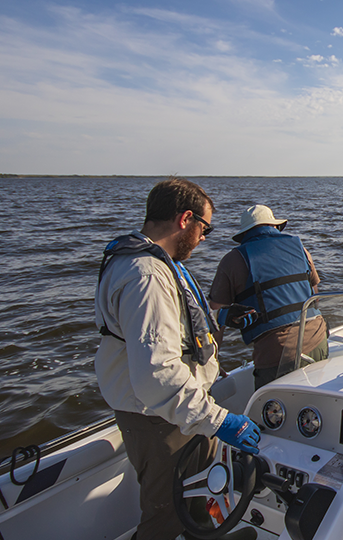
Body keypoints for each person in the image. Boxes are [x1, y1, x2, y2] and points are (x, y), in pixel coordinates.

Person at [94, 177, 261, 540]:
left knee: (196, 495)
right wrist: (219, 421)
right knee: (167, 514)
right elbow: (159, 374)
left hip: (174, 413)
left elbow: (168, 325)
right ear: (186, 219)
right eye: (205, 227)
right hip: (160, 420)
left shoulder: (142, 261)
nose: (204, 237)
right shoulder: (147, 276)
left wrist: (221, 317)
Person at [209, 205, 329, 390]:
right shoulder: (302, 250)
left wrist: (211, 364)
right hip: (318, 339)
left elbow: (215, 319)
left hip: (277, 352)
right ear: (275, 227)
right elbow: (315, 297)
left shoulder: (231, 260)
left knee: (272, 413)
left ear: (245, 234)